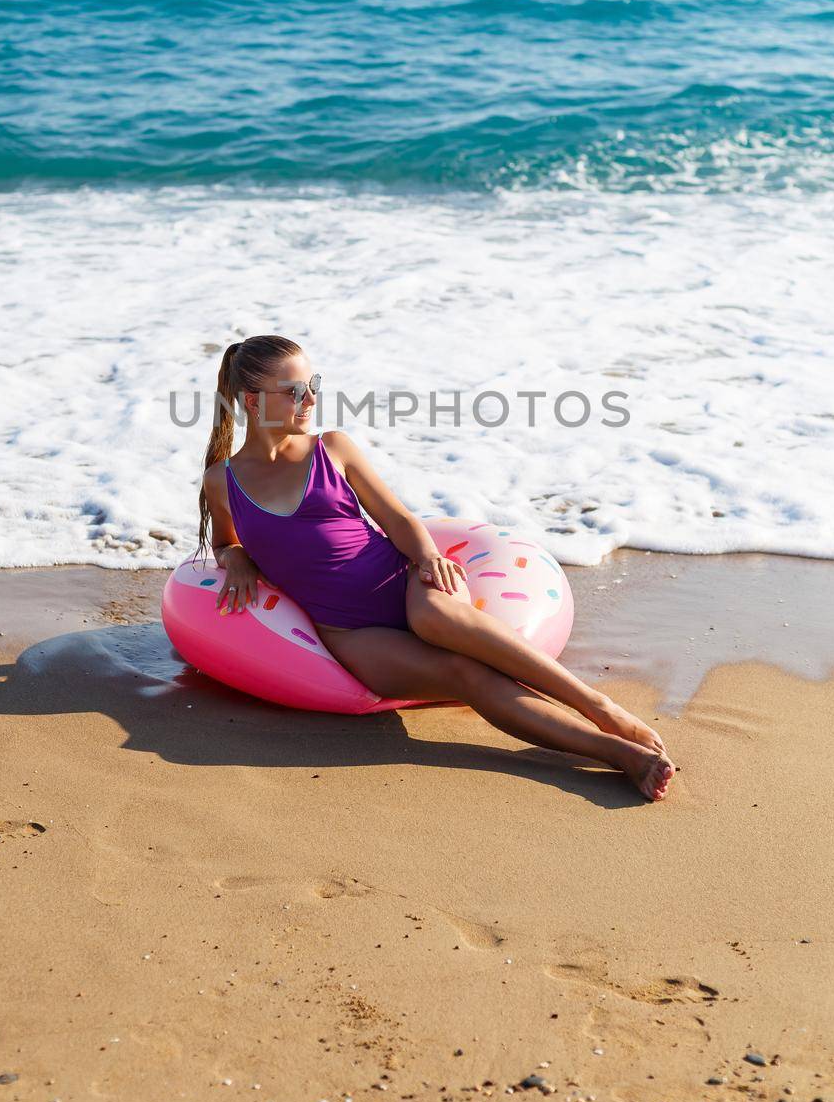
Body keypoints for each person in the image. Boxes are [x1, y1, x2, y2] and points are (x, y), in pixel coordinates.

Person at [195, 334, 674, 801]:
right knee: (466, 676)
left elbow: (398, 518)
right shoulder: (223, 482)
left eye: (314, 384)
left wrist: (427, 557)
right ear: (253, 402)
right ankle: (617, 754)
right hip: (350, 632)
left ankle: (602, 709)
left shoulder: (332, 449)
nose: (311, 398)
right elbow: (225, 542)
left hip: (401, 581)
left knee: (435, 617)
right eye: (295, 391)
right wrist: (234, 558)